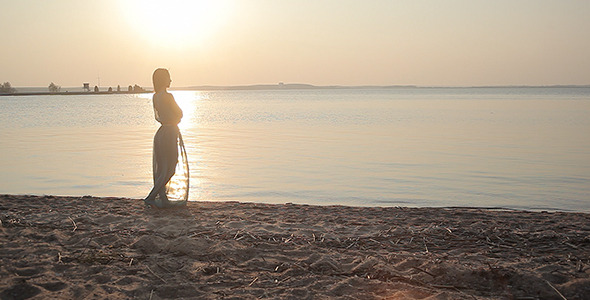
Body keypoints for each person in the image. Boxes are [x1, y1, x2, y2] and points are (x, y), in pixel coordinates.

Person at [144, 68, 188, 208]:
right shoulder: (168, 97)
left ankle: (162, 197)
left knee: (162, 166)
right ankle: (152, 196)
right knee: (170, 167)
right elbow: (179, 113)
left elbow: (160, 115)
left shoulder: (155, 96)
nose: (170, 80)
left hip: (161, 132)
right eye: (168, 77)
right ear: (164, 79)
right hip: (169, 132)